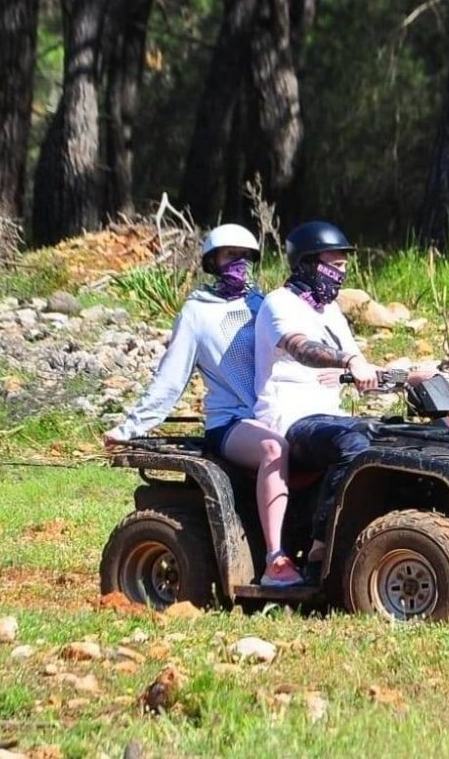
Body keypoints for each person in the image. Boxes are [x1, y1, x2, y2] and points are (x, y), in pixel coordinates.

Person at [104, 223, 304, 587]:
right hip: (231, 424)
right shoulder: (197, 314)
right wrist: (130, 427)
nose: (238, 264)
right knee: (273, 448)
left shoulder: (264, 306)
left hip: (274, 413)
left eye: (245, 257)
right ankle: (275, 560)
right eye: (230, 256)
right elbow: (170, 379)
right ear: (213, 262)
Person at [254, 221, 431, 579]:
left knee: (398, 437)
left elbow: (362, 372)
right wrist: (347, 361)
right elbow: (302, 348)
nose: (341, 274)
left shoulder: (331, 313)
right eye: (334, 266)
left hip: (328, 417)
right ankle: (323, 549)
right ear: (306, 264)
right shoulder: (279, 304)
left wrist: (408, 377)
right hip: (289, 419)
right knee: (352, 441)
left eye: (344, 268)